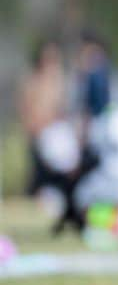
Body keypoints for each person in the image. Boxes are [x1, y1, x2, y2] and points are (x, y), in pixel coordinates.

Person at [18, 40, 67, 198]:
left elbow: (60, 107)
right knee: (36, 169)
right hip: (37, 131)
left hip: (52, 133)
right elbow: (26, 106)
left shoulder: (58, 81)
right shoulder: (33, 79)